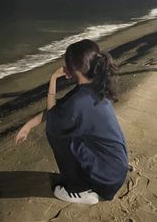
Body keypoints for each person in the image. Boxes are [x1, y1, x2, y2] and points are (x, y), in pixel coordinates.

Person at [15, 39, 129, 204]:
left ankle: (80, 190)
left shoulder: (78, 101)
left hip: (107, 180)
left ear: (73, 68)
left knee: (57, 134)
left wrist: (53, 79)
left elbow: (54, 115)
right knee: (66, 127)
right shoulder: (95, 86)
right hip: (116, 168)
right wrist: (29, 125)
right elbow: (61, 108)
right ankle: (87, 180)